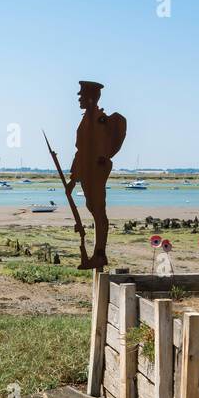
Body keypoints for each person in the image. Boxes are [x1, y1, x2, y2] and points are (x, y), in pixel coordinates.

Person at [65, 80, 126, 269]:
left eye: (82, 96)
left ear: (91, 98)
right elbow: (80, 151)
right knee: (94, 208)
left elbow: (96, 149)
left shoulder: (98, 119)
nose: (79, 100)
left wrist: (80, 175)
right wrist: (73, 178)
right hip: (87, 171)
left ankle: (100, 254)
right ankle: (97, 254)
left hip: (95, 171)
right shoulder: (87, 119)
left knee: (98, 212)